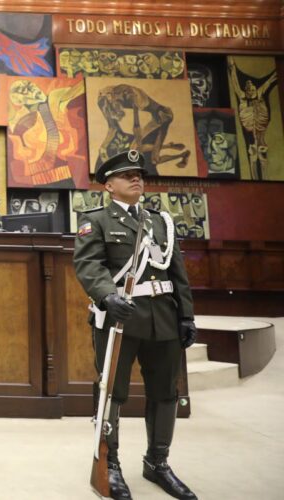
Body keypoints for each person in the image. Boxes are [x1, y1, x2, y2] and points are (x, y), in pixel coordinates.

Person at [73, 150, 197, 500]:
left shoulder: (160, 222)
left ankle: (157, 463)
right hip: (120, 319)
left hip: (164, 319)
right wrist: (106, 295)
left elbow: (177, 272)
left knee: (165, 392)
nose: (136, 179)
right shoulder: (96, 220)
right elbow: (88, 264)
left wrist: (186, 315)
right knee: (113, 393)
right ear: (109, 185)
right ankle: (110, 465)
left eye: (139, 174)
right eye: (126, 175)